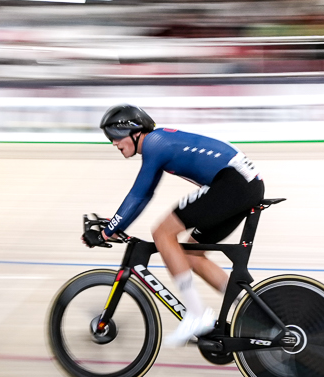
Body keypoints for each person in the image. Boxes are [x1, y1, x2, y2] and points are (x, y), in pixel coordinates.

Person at [91, 104, 264, 347]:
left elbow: (139, 195)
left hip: (233, 183)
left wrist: (109, 230)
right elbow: (146, 194)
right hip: (243, 185)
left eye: (115, 137)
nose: (113, 144)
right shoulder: (159, 143)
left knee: (163, 232)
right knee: (192, 254)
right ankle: (255, 314)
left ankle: (196, 315)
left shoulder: (155, 143)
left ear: (133, 131)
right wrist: (114, 225)